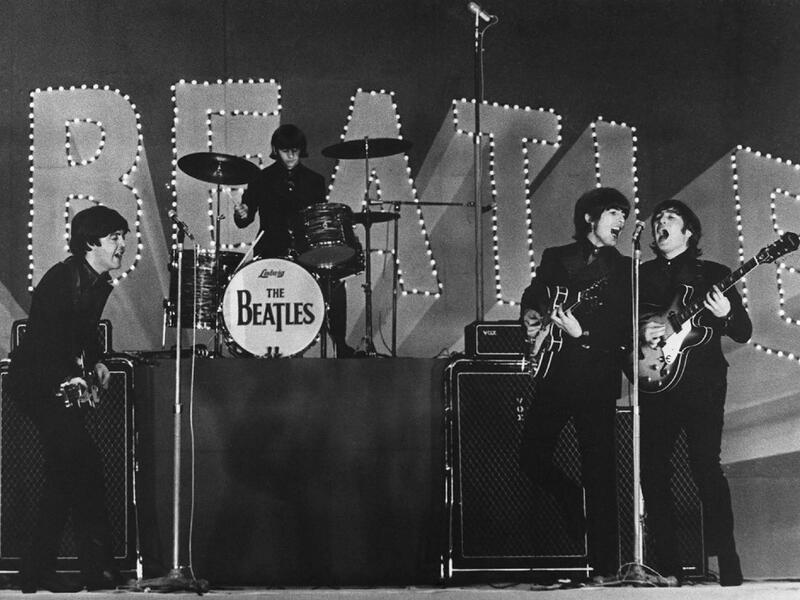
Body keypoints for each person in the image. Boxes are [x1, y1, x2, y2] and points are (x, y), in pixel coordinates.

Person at [7, 205, 129, 593]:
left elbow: (84, 332)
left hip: (54, 381)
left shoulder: (96, 281)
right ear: (90, 242)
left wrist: (97, 362)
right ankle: (94, 570)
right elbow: (46, 341)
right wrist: (70, 376)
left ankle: (41, 573)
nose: (122, 244)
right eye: (114, 237)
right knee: (82, 466)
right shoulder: (61, 280)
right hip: (35, 383)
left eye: (122, 237)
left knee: (67, 475)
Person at [519, 187, 632, 582]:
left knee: (600, 472)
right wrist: (531, 316)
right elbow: (535, 295)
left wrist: (583, 333)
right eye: (614, 212)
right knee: (531, 456)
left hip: (597, 377)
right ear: (590, 218)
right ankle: (570, 497)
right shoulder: (556, 257)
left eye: (624, 214)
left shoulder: (624, 268)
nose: (621, 221)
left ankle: (605, 566)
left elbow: (623, 327)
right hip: (556, 373)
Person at [639, 199, 750, 586]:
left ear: (688, 231)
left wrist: (725, 314)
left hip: (703, 384)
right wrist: (643, 330)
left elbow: (743, 331)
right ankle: (668, 566)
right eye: (658, 219)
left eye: (670, 218)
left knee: (705, 467)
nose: (660, 223)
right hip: (657, 381)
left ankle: (728, 561)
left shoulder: (714, 274)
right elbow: (624, 327)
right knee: (653, 470)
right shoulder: (641, 275)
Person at [233, 124, 353, 357]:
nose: (290, 156)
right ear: (275, 150)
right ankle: (257, 346)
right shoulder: (261, 178)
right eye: (285, 151)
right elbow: (244, 220)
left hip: (304, 252)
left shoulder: (315, 181)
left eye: (295, 151)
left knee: (336, 282)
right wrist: (243, 214)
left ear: (301, 150)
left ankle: (340, 343)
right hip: (270, 251)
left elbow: (317, 220)